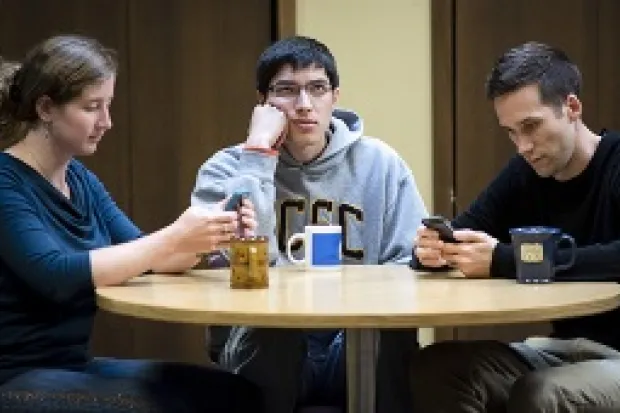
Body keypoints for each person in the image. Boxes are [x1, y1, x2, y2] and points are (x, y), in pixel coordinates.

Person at [0, 36, 263, 412]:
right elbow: (54, 275)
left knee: (239, 394)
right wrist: (174, 237)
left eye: (108, 105)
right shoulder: (6, 180)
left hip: (72, 367)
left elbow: (150, 257)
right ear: (45, 108)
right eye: (92, 107)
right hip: (15, 377)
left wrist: (209, 233)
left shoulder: (80, 180)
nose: (106, 122)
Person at [191, 36, 427, 413]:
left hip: (352, 338)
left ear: (335, 96)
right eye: (286, 91)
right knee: (273, 327)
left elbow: (408, 264)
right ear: (262, 102)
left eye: (317, 89)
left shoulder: (382, 165)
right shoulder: (225, 170)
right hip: (261, 339)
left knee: (388, 335)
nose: (303, 105)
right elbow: (242, 264)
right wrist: (258, 153)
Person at [411, 41, 620, 412]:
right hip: (562, 351)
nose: (523, 146)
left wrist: (504, 260)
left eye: (531, 126)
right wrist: (434, 251)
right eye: (511, 132)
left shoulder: (616, 164)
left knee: (540, 393)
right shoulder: (527, 171)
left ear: (571, 107)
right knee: (437, 367)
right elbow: (469, 229)